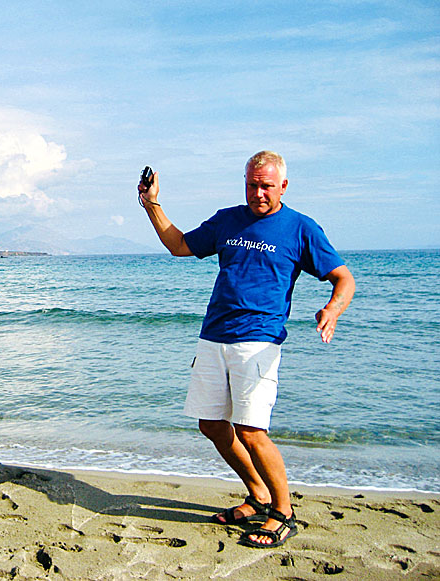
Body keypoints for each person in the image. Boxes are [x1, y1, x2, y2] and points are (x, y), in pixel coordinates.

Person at [138, 151, 355, 548]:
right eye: (253, 184)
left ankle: (284, 512)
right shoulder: (228, 219)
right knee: (212, 425)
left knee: (252, 431)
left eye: (267, 186)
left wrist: (332, 309)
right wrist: (152, 204)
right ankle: (259, 495)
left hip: (259, 341)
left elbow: (343, 278)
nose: (259, 192)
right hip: (213, 336)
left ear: (283, 186)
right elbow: (180, 245)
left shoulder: (300, 229)